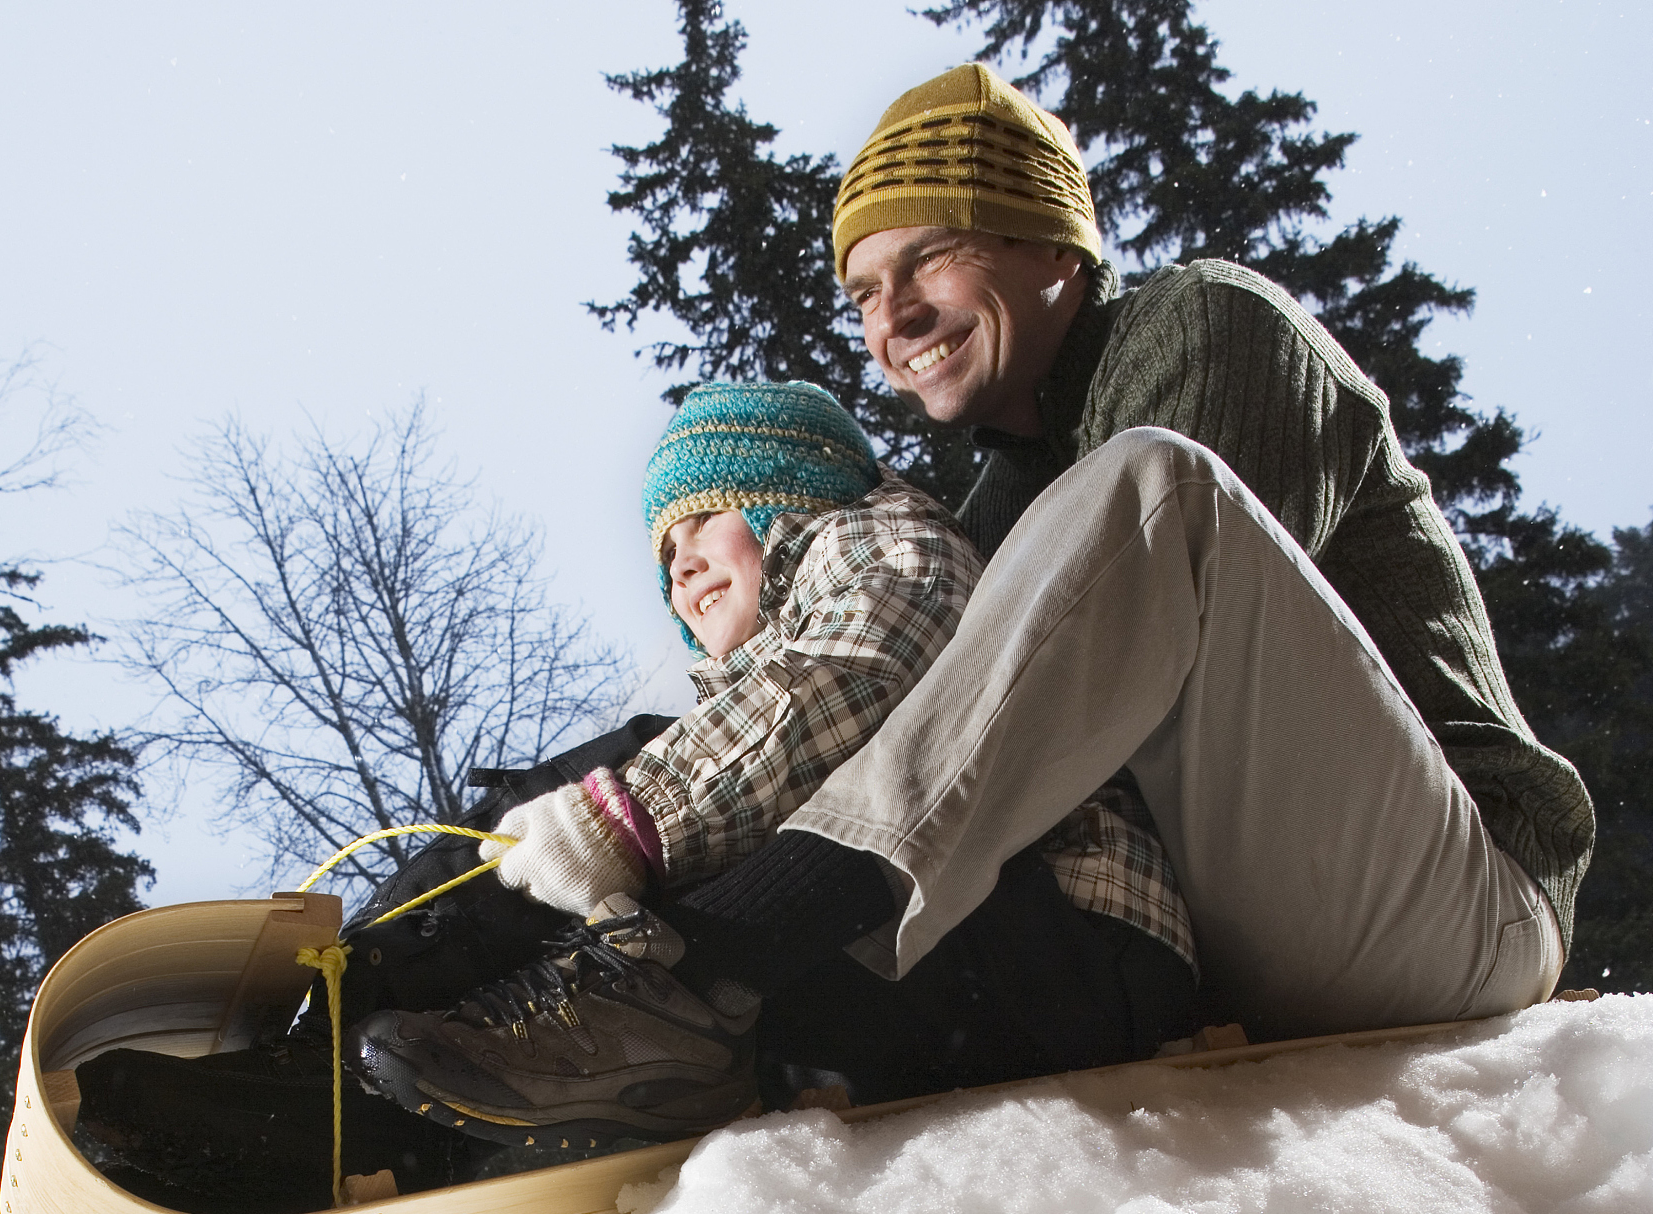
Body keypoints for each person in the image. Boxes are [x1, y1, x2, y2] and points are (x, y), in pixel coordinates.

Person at [349, 62, 1592, 1151]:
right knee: (780, 676)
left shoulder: (1205, 331)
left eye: (928, 256)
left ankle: (697, 975)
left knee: (1143, 494)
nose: (890, 319)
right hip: (1235, 944)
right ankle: (427, 978)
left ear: (1053, 246)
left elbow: (1144, 648)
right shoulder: (994, 505)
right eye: (861, 294)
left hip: (1445, 905)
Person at [350, 379, 1201, 1149]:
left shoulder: (890, 545)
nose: (679, 563)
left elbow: (862, 675)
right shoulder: (767, 675)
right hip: (960, 976)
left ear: (790, 497)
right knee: (616, 834)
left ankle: (425, 945)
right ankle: (397, 1053)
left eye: (703, 519)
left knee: (635, 768)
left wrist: (627, 819)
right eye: (664, 553)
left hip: (1077, 948)